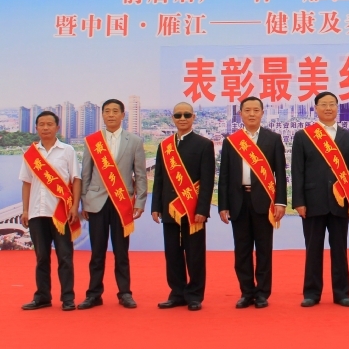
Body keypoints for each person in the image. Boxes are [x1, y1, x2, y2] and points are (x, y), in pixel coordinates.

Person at [291, 92, 349, 307]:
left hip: (341, 202)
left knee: (340, 249)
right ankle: (311, 293)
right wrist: (299, 201)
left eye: (332, 104)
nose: (328, 108)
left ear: (337, 108)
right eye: (324, 104)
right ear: (316, 108)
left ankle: (342, 293)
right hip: (313, 201)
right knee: (313, 250)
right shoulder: (303, 136)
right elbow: (297, 171)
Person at [218, 96, 287, 309]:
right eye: (247, 110)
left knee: (264, 250)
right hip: (238, 201)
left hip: (263, 202)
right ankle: (246, 292)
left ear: (262, 113)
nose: (251, 114)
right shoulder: (231, 141)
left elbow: (280, 174)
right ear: (240, 114)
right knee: (242, 251)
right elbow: (224, 176)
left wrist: (281, 202)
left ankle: (263, 293)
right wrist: (223, 205)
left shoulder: (273, 139)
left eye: (256, 110)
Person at [79, 99, 147, 310]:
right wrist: (84, 202)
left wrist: (140, 201)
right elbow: (86, 173)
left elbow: (140, 174)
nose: (111, 115)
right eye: (107, 111)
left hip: (122, 202)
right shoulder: (92, 141)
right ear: (102, 115)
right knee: (97, 253)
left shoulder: (134, 141)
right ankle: (93, 294)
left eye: (115, 111)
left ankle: (125, 293)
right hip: (96, 203)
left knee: (121, 252)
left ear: (122, 115)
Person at [151, 102, 215, 311]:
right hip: (170, 208)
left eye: (187, 115)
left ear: (193, 117)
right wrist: (156, 206)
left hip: (193, 209)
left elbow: (207, 181)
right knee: (172, 253)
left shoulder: (204, 144)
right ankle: (177, 293)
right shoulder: (164, 146)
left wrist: (203, 210)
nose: (182, 118)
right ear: (173, 118)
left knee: (195, 254)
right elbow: (159, 178)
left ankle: (195, 295)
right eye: (178, 115)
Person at [19, 111, 80, 311]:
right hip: (37, 212)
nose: (45, 128)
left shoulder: (67, 150)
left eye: (49, 124)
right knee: (41, 257)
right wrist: (25, 210)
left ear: (57, 127)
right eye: (41, 124)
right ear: (36, 127)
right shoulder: (31, 154)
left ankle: (68, 298)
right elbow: (27, 183)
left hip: (60, 212)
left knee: (65, 257)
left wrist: (74, 206)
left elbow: (76, 179)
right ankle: (42, 297)